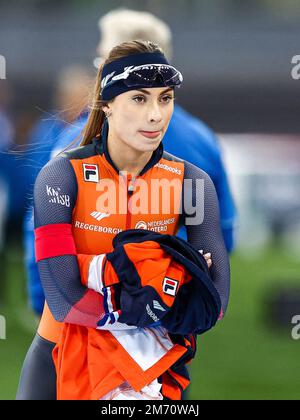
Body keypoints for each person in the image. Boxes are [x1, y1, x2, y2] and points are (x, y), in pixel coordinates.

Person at [17, 40, 230, 400]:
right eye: (139, 98)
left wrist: (92, 273)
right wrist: (169, 279)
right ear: (107, 105)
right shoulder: (61, 176)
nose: (155, 114)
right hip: (62, 358)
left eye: (165, 98)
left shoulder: (192, 183)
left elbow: (215, 303)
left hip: (155, 370)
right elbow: (62, 299)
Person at [24, 8, 236, 318]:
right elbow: (225, 230)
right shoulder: (201, 137)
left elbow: (40, 230)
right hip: (168, 311)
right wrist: (186, 285)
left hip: (88, 314)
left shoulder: (73, 140)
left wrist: (42, 299)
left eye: (100, 63)